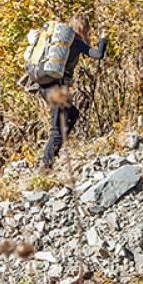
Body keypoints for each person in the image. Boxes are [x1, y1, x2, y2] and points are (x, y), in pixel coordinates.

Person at [36, 15, 96, 169]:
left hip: (45, 85)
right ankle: (46, 165)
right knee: (57, 127)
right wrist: (104, 39)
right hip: (56, 87)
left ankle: (52, 153)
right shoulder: (76, 42)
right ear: (83, 28)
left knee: (72, 114)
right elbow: (98, 54)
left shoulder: (60, 41)